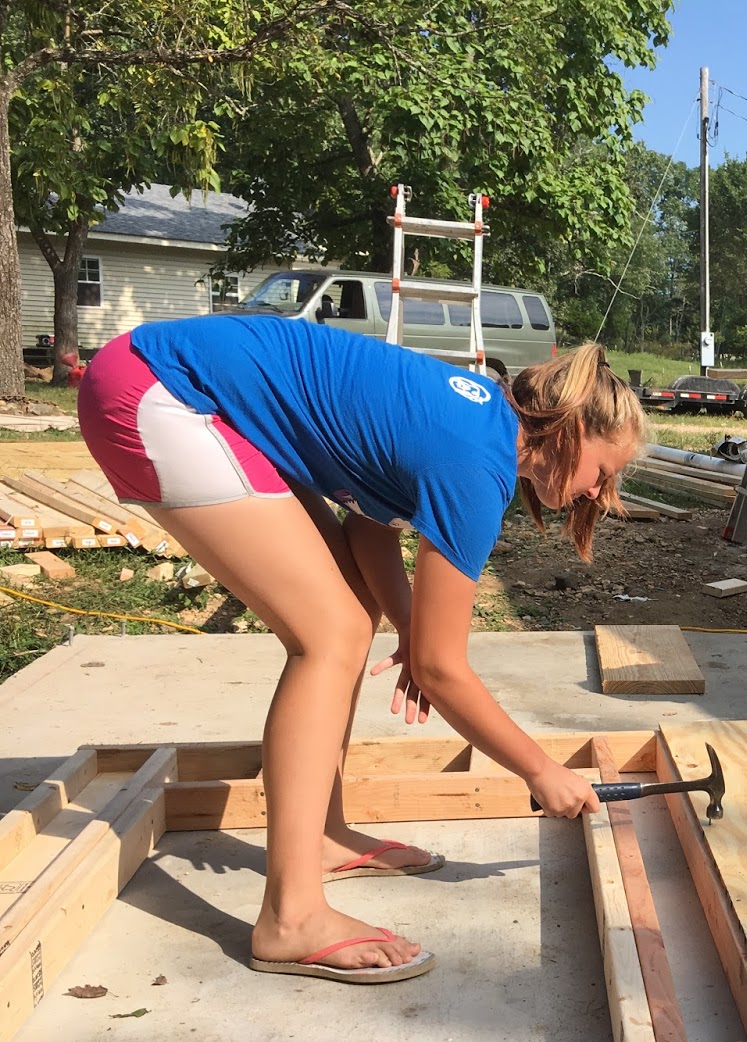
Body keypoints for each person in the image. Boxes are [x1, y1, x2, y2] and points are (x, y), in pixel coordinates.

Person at [76, 316, 641, 984]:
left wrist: (408, 629)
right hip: (160, 390)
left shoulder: (478, 420)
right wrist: (541, 771)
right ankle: (290, 919)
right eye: (604, 472)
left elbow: (370, 528)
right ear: (572, 429)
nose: (599, 494)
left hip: (173, 383)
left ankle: (323, 835)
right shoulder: (477, 462)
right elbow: (442, 668)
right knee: (331, 635)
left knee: (348, 614)